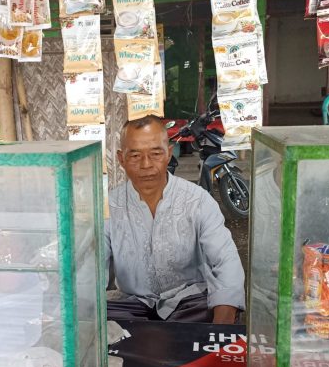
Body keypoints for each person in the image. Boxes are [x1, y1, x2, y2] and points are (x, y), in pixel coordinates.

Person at [105, 115, 246, 324]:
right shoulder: (108, 207)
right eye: (135, 156)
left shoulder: (198, 201)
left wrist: (220, 332)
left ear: (169, 154)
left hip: (189, 303)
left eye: (155, 153)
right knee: (97, 321)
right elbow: (89, 271)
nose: (146, 164)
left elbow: (225, 261)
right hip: (131, 306)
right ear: (121, 159)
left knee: (216, 307)